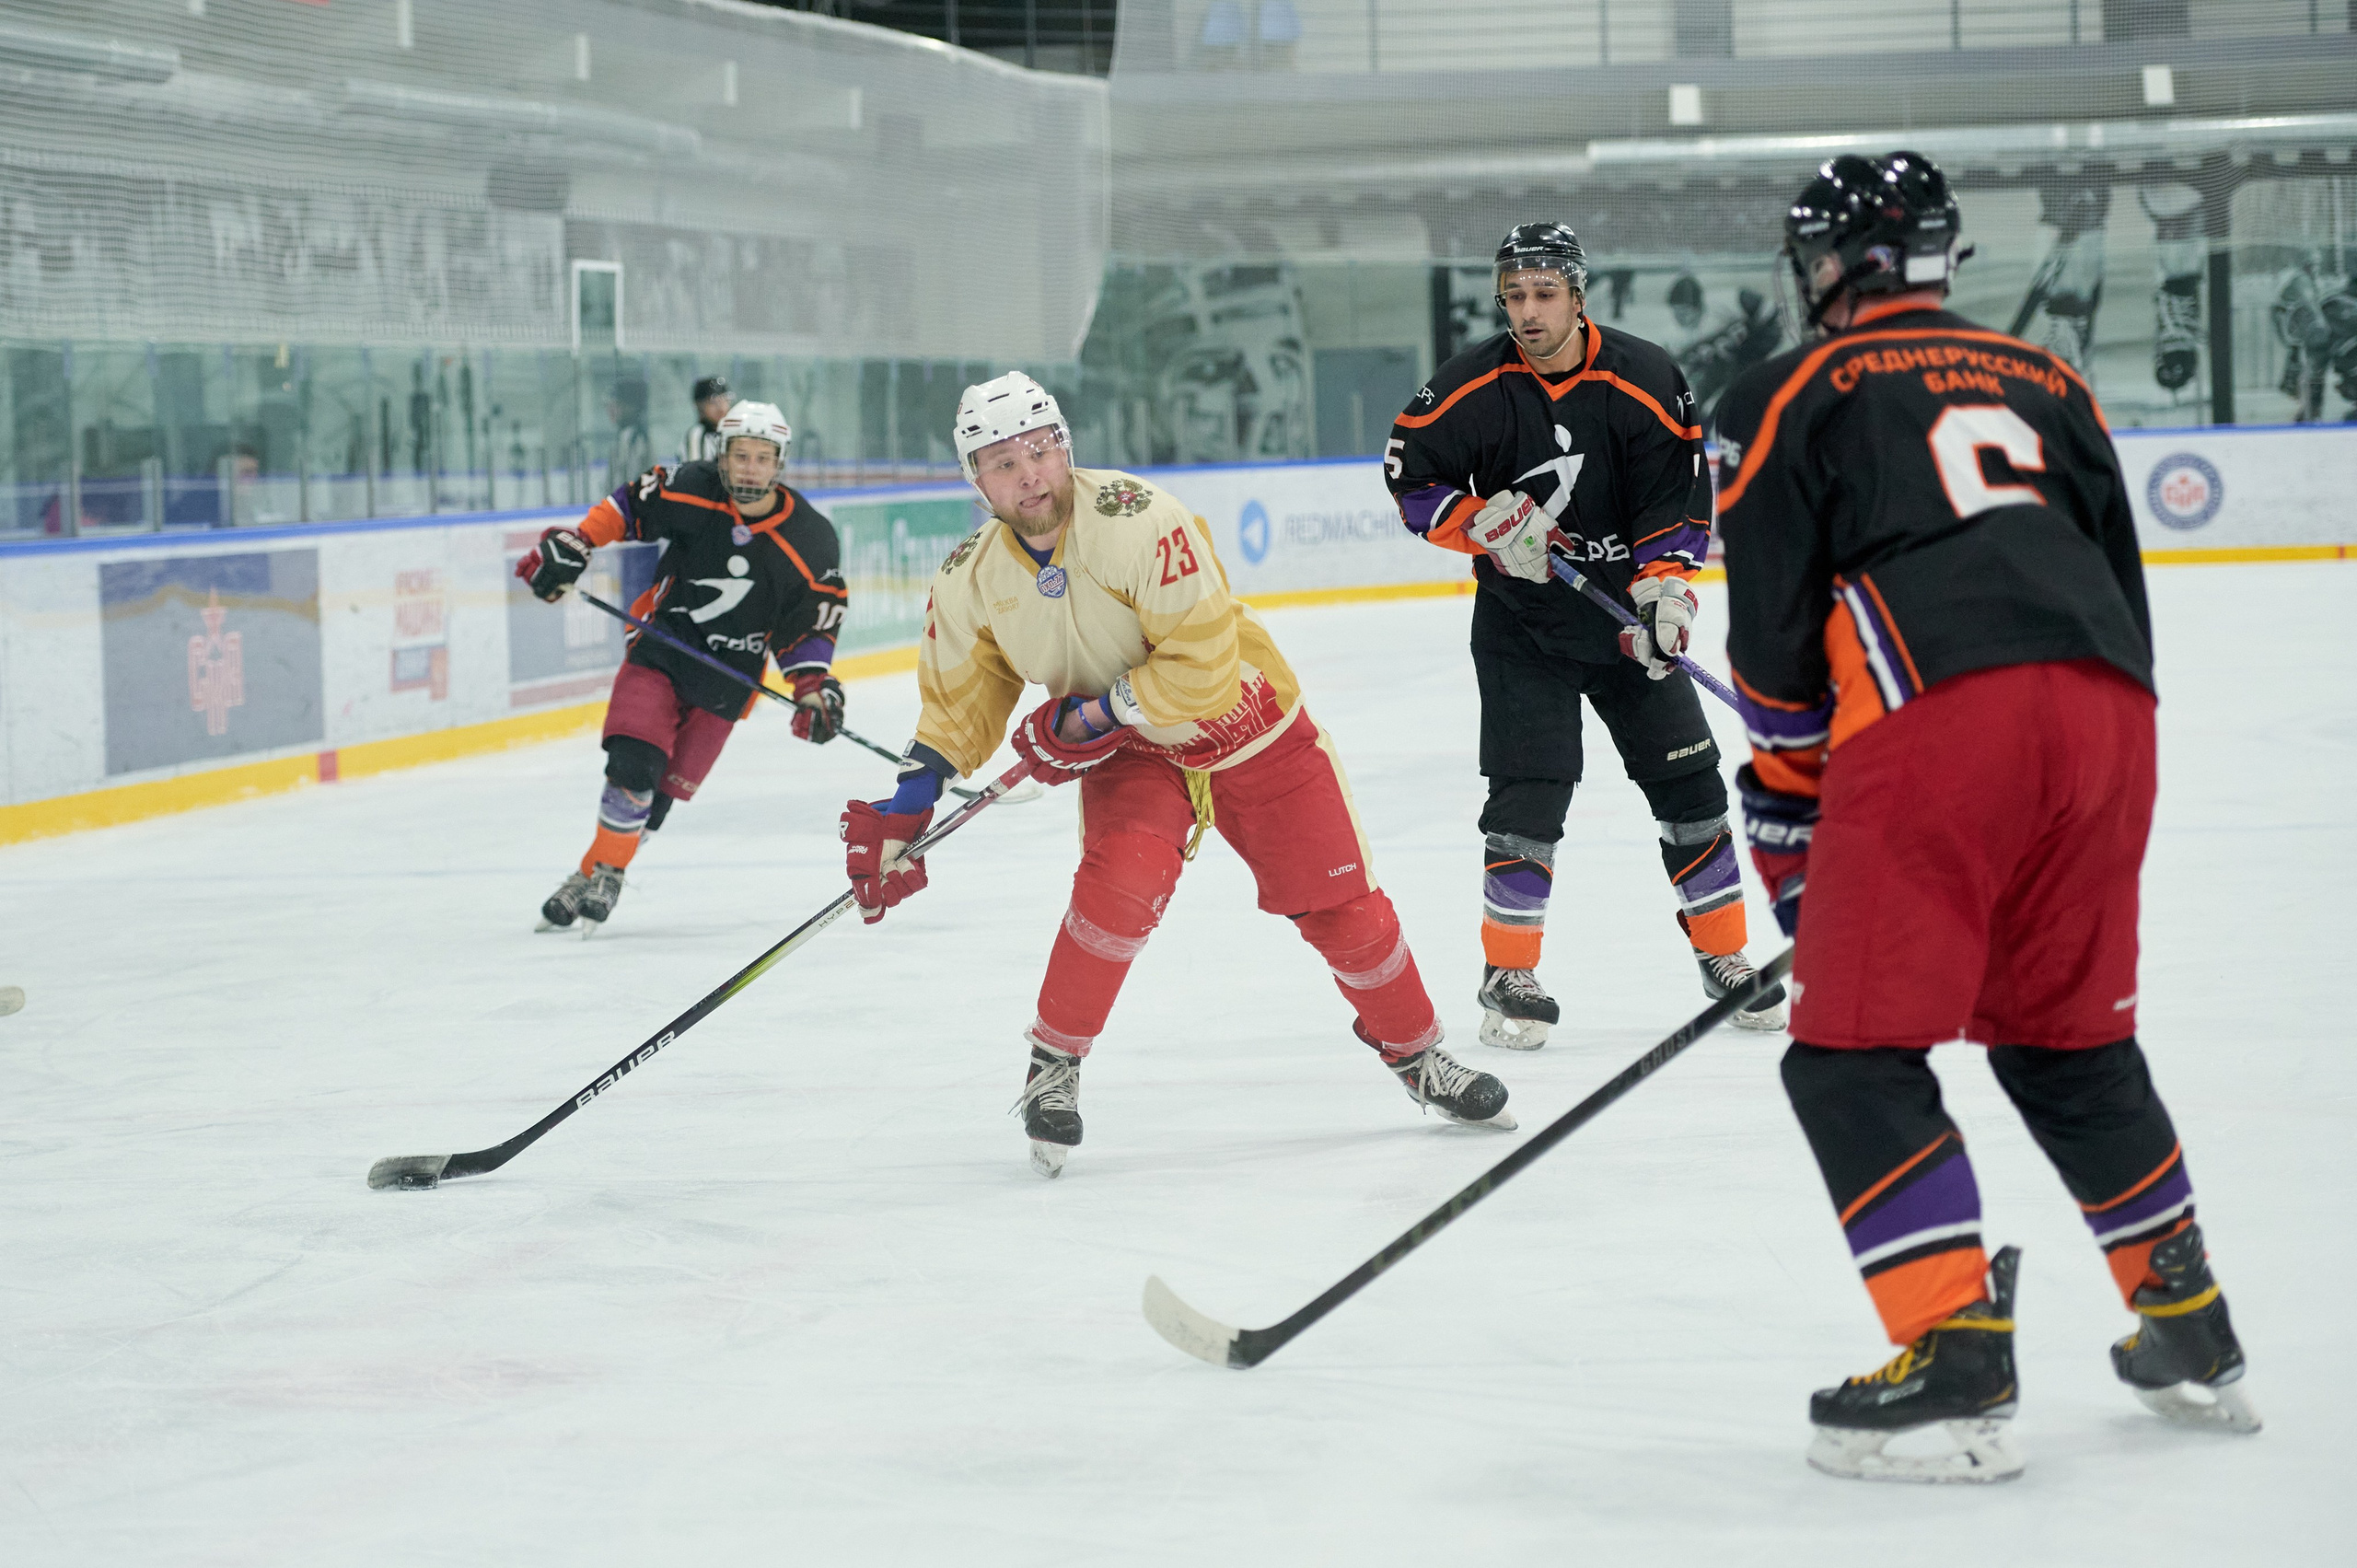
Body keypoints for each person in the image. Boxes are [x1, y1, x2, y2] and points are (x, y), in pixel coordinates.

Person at [1715, 150, 2258, 1483]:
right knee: (2063, 1036)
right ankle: (2189, 1321)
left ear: (1833, 267)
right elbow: (2119, 585)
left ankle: (1953, 1351)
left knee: (1848, 1055)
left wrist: (1792, 837)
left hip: (1939, 706)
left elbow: (1776, 654)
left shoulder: (1787, 390)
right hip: (2107, 712)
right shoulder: (2054, 379)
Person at [842, 372, 1514, 1178]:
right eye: (1001, 462)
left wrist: (1088, 716)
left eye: (1040, 449)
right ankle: (1053, 1065)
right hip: (1135, 757)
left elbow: (1203, 668)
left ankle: (1418, 1055)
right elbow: (960, 703)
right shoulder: (967, 578)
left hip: (1248, 726)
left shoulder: (1139, 520)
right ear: (974, 480)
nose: (1028, 474)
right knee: (1118, 887)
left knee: (1347, 911)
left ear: (1065, 446)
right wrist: (911, 801)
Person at [1383, 221, 1785, 1053]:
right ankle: (1509, 973)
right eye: (1514, 296)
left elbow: (1673, 503)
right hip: (1521, 625)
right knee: (1531, 795)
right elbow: (1408, 473)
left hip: (1625, 623)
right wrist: (1481, 525)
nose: (1527, 313)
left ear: (1579, 295)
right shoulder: (1470, 387)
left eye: (1543, 294)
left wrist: (1665, 599)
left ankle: (1726, 957)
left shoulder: (1645, 378)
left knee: (1692, 786)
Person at [518, 401, 847, 935]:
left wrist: (812, 687)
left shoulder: (810, 537)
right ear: (722, 455)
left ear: (779, 463)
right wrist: (576, 543)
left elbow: (807, 624)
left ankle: (594, 873)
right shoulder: (691, 487)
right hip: (661, 652)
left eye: (762, 458)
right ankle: (608, 873)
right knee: (633, 765)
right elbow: (626, 507)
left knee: (658, 802)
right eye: (740, 455)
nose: (749, 468)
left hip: (729, 682)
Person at [683, 375, 734, 463]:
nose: (721, 408)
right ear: (699, 406)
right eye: (713, 402)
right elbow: (697, 473)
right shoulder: (696, 435)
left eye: (725, 400)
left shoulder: (734, 432)